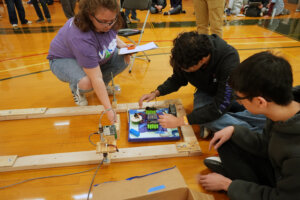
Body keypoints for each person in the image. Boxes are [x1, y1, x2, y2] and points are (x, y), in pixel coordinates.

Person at [198, 51, 300, 200]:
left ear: (260, 102)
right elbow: (268, 144)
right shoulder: (281, 110)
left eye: (240, 98)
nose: (238, 101)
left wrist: (228, 185)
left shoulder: (296, 155)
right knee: (226, 140)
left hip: (282, 191)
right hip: (276, 169)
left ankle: (232, 180)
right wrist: (235, 130)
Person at [139, 31, 265, 137]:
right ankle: (222, 122)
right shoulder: (186, 56)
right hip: (206, 92)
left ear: (203, 60)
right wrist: (156, 92)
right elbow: (178, 78)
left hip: (233, 95)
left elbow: (221, 105)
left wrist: (179, 121)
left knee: (211, 119)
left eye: (186, 69)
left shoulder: (228, 58)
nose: (182, 70)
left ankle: (253, 133)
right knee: (203, 116)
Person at [47, 0, 130, 124]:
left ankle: (103, 86)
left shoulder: (109, 20)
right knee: (88, 82)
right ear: (90, 15)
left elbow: (113, 35)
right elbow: (96, 77)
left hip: (89, 55)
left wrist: (123, 45)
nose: (108, 25)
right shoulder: (81, 37)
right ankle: (76, 90)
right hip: (63, 59)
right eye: (103, 21)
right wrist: (108, 109)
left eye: (112, 20)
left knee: (125, 57)